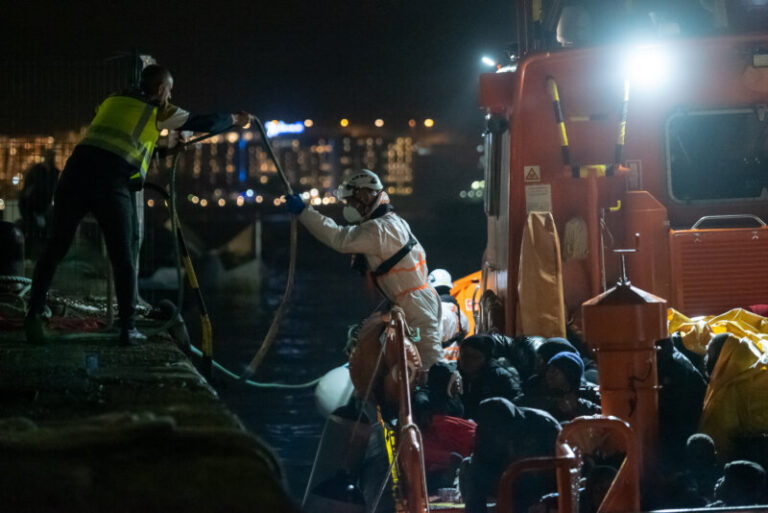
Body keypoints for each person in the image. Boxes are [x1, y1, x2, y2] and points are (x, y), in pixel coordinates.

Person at [25, 64, 252, 346]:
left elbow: (127, 142)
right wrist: (235, 118)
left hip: (73, 177)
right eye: (170, 89)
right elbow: (201, 122)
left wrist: (169, 150)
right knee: (125, 253)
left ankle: (33, 314)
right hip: (110, 182)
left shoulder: (112, 101)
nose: (170, 95)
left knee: (55, 247)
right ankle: (127, 328)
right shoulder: (160, 109)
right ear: (160, 89)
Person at [283, 169, 443, 369]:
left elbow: (339, 238)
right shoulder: (391, 221)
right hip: (415, 301)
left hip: (415, 306)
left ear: (366, 196)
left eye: (351, 201)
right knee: (417, 361)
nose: (349, 206)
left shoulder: (378, 229)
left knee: (430, 364)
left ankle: (437, 395)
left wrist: (304, 212)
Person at [460, 397, 561, 513]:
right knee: (469, 468)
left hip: (539, 481)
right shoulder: (485, 430)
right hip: (506, 477)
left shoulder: (542, 424)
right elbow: (479, 462)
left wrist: (549, 500)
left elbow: (560, 463)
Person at [457, 335, 521, 420]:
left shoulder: (500, 377)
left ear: (486, 359)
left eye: (475, 357)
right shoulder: (455, 374)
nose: (468, 361)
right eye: (464, 355)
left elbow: (515, 406)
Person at [18, 149, 60, 258]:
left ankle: (36, 256)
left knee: (39, 232)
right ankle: (32, 256)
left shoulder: (52, 173)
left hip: (39, 208)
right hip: (33, 207)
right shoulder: (40, 172)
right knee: (33, 232)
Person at [428, 268, 469, 361]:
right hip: (456, 363)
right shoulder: (457, 311)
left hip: (438, 364)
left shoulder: (436, 311)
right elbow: (466, 329)